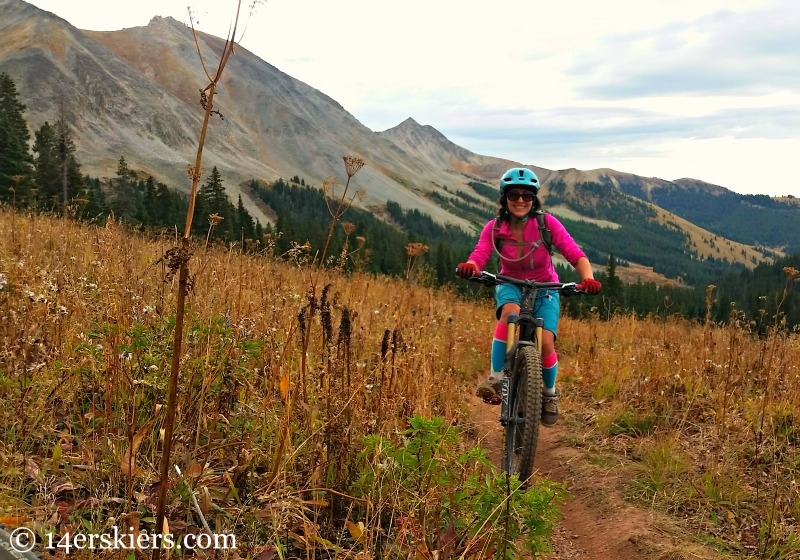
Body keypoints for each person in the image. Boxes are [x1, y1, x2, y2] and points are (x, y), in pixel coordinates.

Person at [456, 167, 601, 426]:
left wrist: (587, 278)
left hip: (546, 286)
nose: (520, 200)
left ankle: (549, 394)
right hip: (509, 282)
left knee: (545, 342)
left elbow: (575, 254)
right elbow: (480, 253)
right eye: (514, 194)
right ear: (505, 198)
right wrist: (472, 267)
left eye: (527, 195)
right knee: (510, 313)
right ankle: (496, 377)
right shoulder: (495, 227)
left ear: (534, 199)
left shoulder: (547, 224)